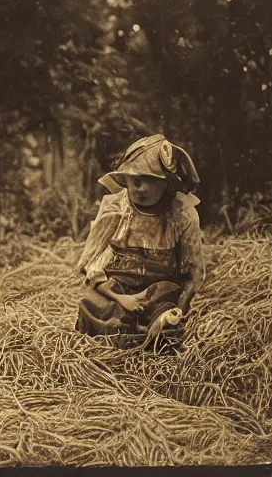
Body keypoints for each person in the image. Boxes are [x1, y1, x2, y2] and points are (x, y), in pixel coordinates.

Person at [75, 134, 204, 351]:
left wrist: (180, 311)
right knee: (92, 308)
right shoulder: (115, 208)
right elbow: (91, 263)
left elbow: (194, 274)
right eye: (134, 179)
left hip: (160, 292)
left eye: (149, 180)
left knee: (165, 326)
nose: (139, 187)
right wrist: (120, 297)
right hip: (117, 288)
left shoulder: (181, 214)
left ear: (166, 184)